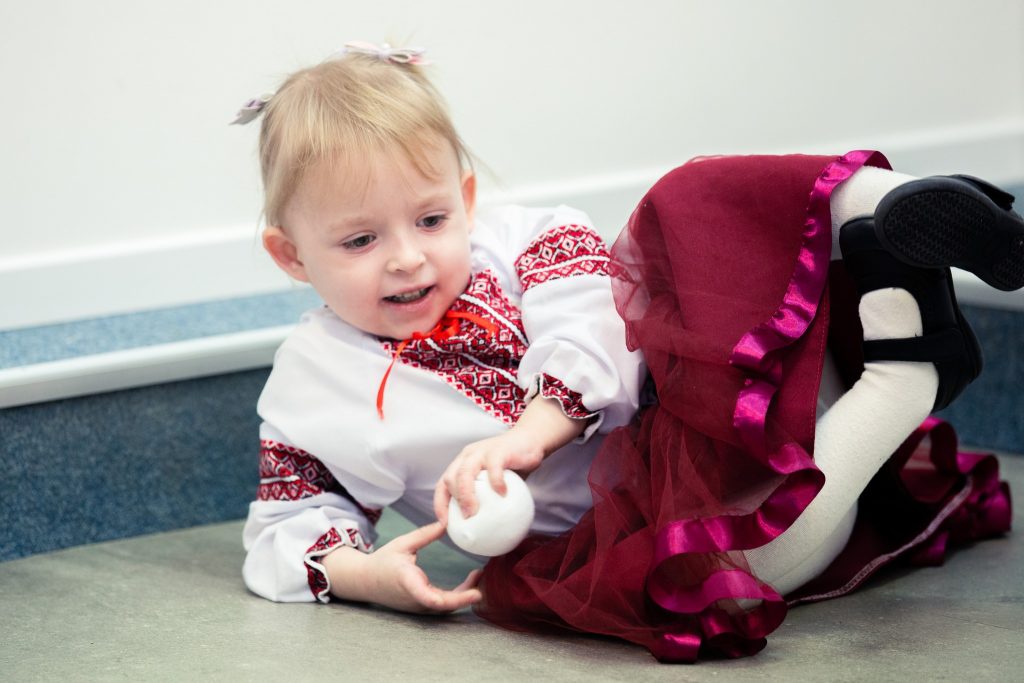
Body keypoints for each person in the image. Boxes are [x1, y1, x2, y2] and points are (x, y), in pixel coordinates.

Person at [234, 42, 1016, 662]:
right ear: (291, 256)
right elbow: (290, 519)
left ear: (466, 201)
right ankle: (905, 368)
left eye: (431, 220)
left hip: (721, 401)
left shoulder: (524, 242)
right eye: (361, 239)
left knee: (686, 206)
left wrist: (529, 432)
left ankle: (895, 206)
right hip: (639, 522)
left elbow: (591, 327)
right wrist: (366, 576)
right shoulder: (312, 387)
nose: (407, 258)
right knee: (731, 577)